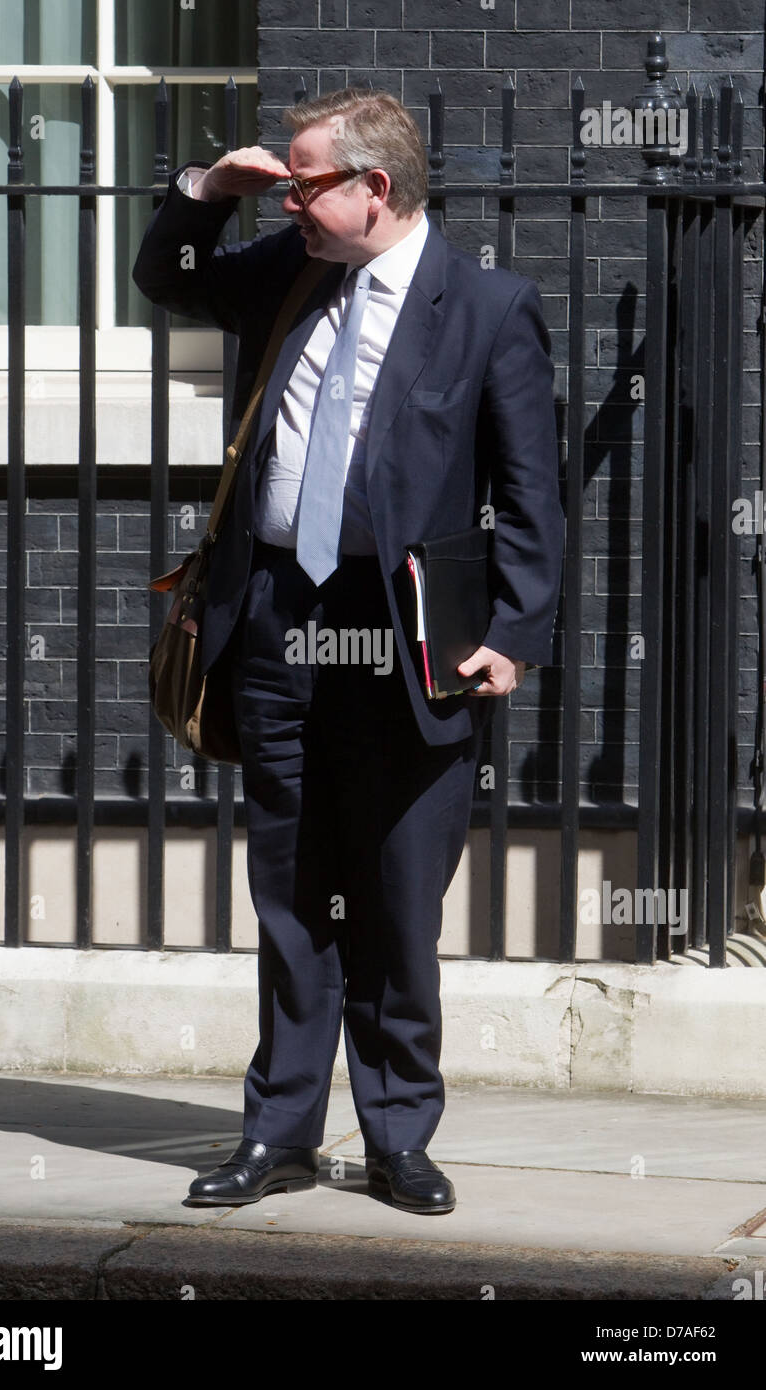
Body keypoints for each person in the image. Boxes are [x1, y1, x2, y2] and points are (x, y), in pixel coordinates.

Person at [132, 87, 564, 1215]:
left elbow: (529, 495)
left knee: (395, 898)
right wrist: (200, 195)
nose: (290, 201)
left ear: (375, 189)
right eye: (283, 184)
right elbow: (168, 282)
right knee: (289, 896)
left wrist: (513, 635)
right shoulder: (288, 272)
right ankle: (277, 1131)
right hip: (277, 617)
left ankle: (397, 1135)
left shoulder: (486, 307)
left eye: (306, 183)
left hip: (407, 635)